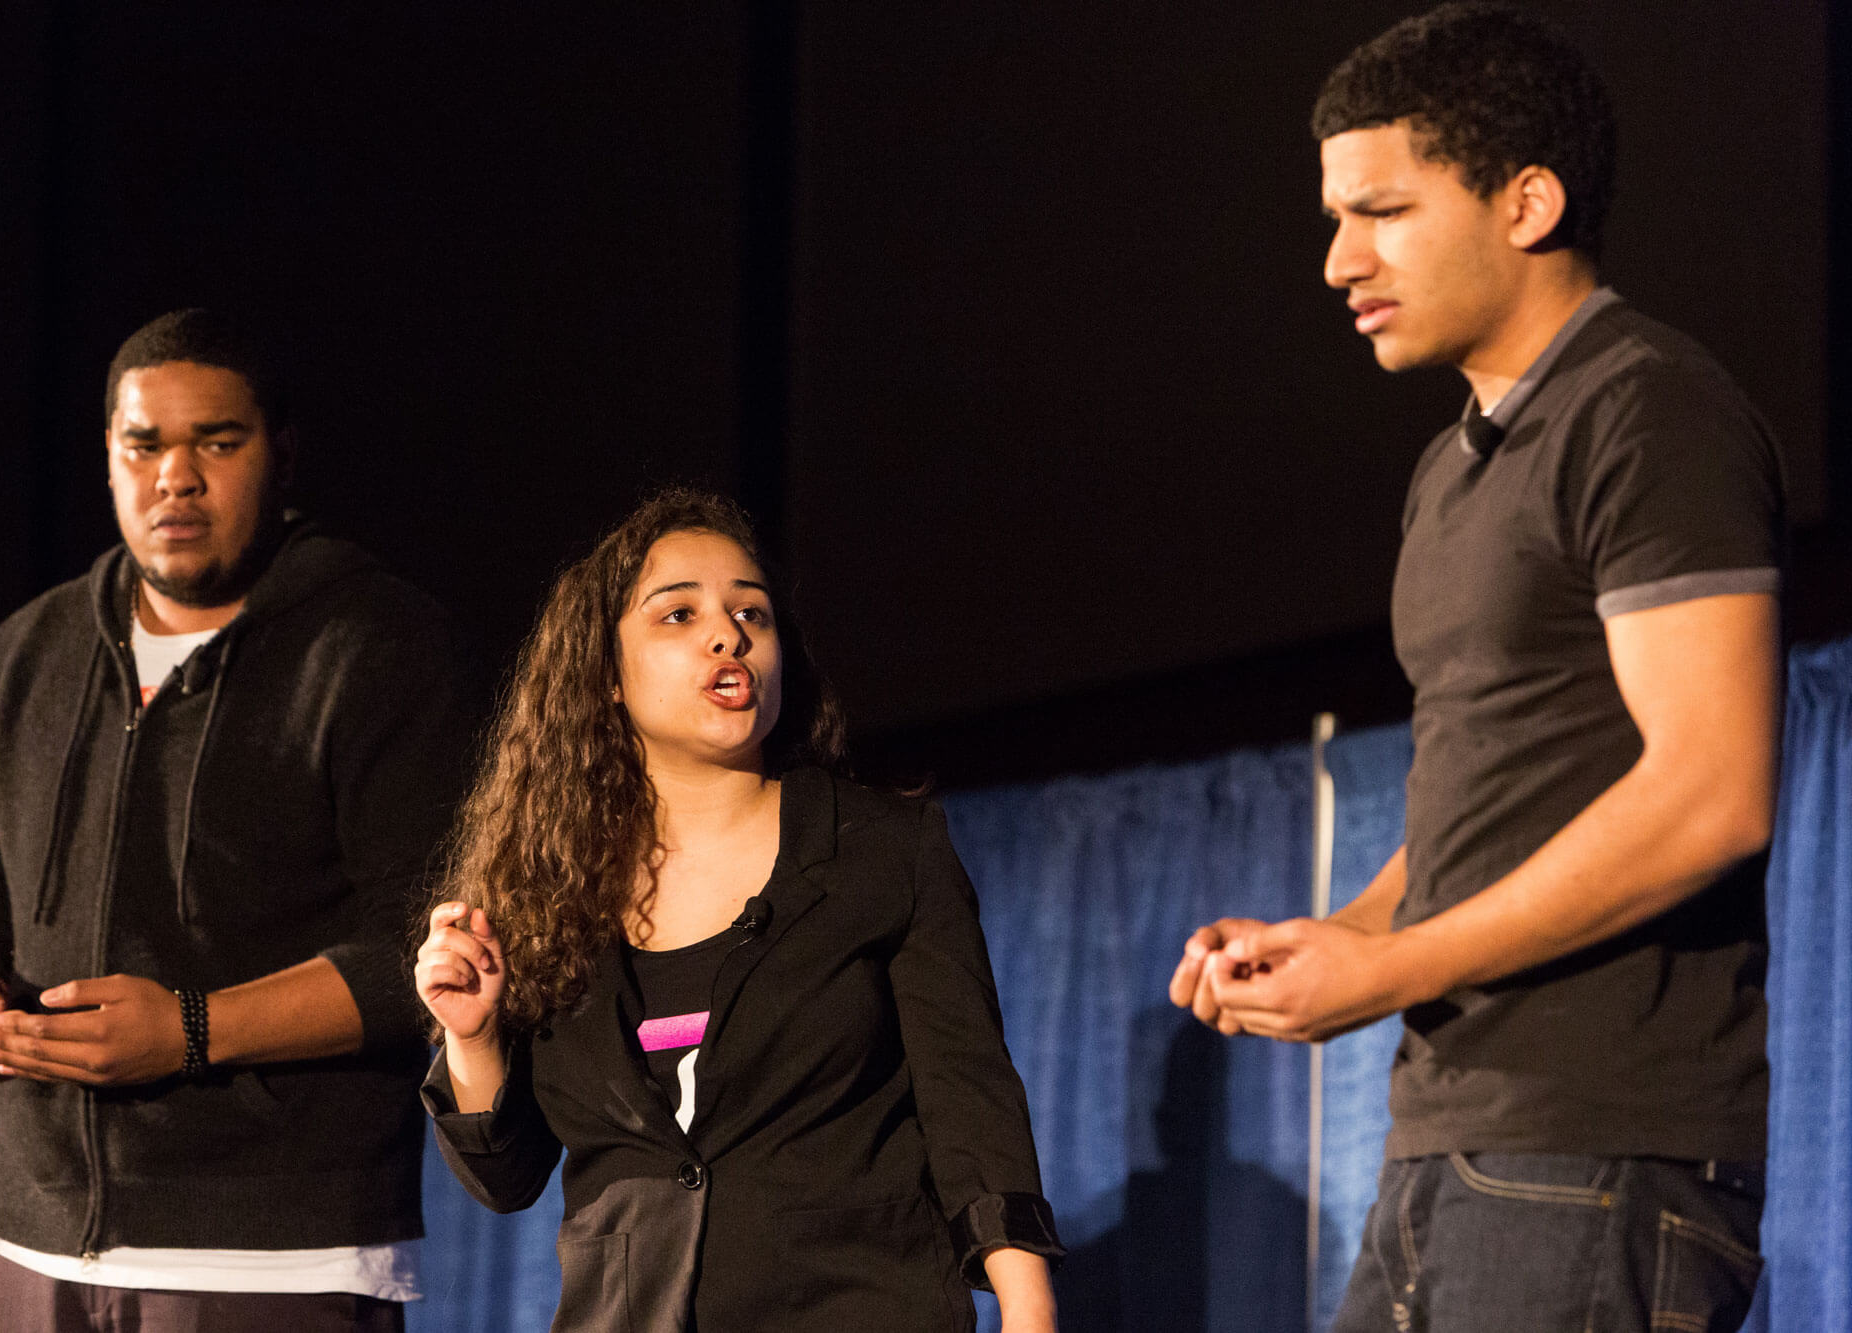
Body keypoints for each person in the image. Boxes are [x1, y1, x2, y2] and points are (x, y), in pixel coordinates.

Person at [1168, 6, 1784, 1331]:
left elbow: (1714, 795)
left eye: (1381, 210)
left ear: (1528, 201)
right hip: (1444, 1135)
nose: (1340, 260)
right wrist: (1340, 937)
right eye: (1336, 217)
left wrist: (1388, 973)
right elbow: (1488, 802)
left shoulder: (1648, 408)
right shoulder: (1448, 473)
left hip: (1599, 1143)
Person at [0, 309, 474, 1331]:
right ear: (110, 460)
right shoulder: (34, 647)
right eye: (145, 444)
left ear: (280, 456)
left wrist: (189, 1032)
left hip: (273, 1257)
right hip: (29, 1239)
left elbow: (428, 950)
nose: (177, 475)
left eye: (216, 441)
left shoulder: (375, 643)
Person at [414, 490, 1063, 1331]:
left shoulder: (881, 850)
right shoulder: (547, 896)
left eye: (750, 612)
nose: (728, 634)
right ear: (604, 676)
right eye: (678, 613)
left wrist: (1029, 1307)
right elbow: (509, 1180)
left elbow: (971, 1101)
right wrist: (472, 1038)